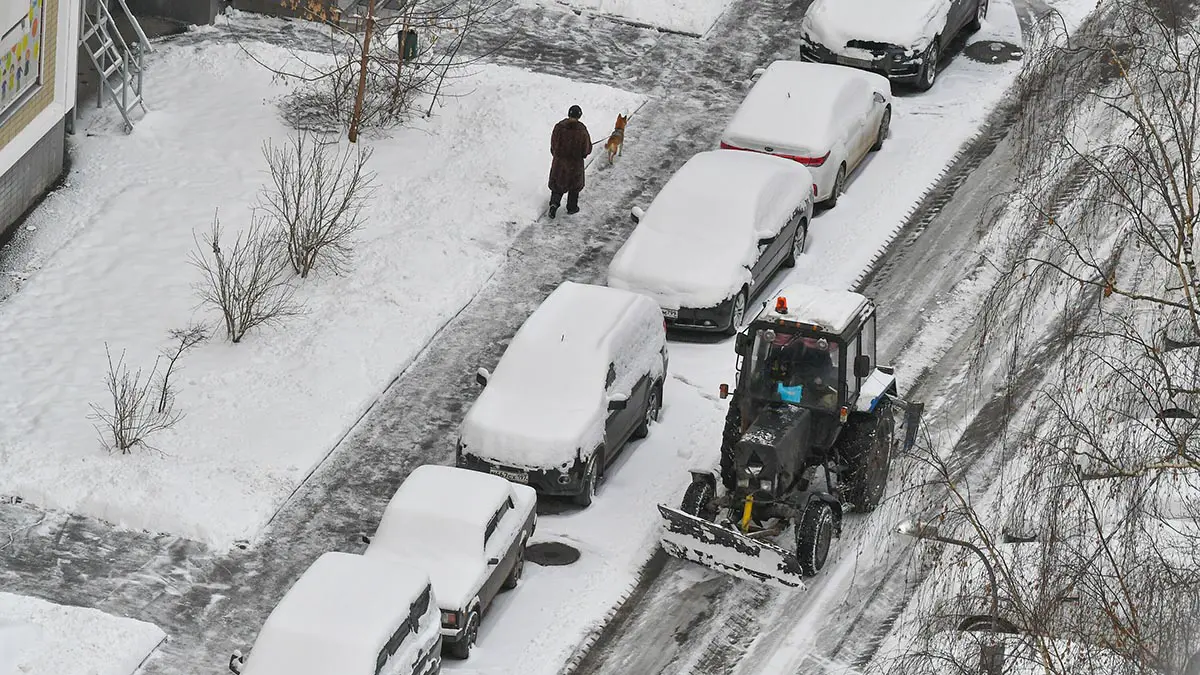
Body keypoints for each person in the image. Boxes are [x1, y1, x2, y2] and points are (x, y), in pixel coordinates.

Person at [548, 105, 592, 219]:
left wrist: (557, 155)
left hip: (560, 163)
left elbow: (553, 145)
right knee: (574, 187)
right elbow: (586, 149)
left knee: (558, 185)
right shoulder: (582, 130)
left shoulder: (559, 127)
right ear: (579, 116)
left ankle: (554, 204)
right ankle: (572, 207)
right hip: (575, 164)